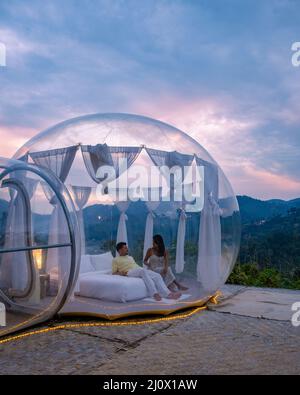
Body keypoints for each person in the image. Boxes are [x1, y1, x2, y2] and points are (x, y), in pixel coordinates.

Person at [112, 242, 181, 301]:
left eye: (127, 247)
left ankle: (169, 294)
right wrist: (121, 273)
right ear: (120, 250)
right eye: (125, 248)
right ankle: (154, 293)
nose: (127, 249)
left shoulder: (130, 257)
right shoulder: (115, 260)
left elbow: (136, 266)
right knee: (142, 271)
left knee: (157, 275)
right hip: (128, 272)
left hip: (139, 270)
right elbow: (114, 273)